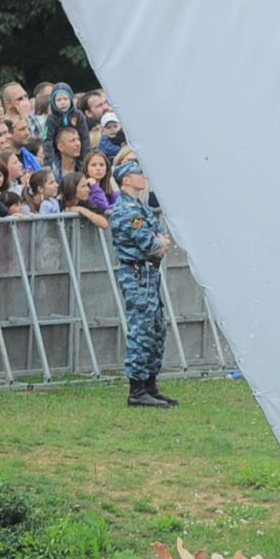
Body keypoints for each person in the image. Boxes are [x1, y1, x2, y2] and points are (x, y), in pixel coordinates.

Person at [108, 161, 175, 408]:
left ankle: (150, 384)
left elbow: (161, 236)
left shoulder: (140, 208)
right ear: (126, 179)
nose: (142, 176)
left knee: (156, 329)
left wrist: (160, 243)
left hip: (148, 274)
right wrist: (159, 244)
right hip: (136, 274)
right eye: (137, 173)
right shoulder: (127, 211)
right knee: (141, 330)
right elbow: (152, 244)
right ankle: (137, 389)